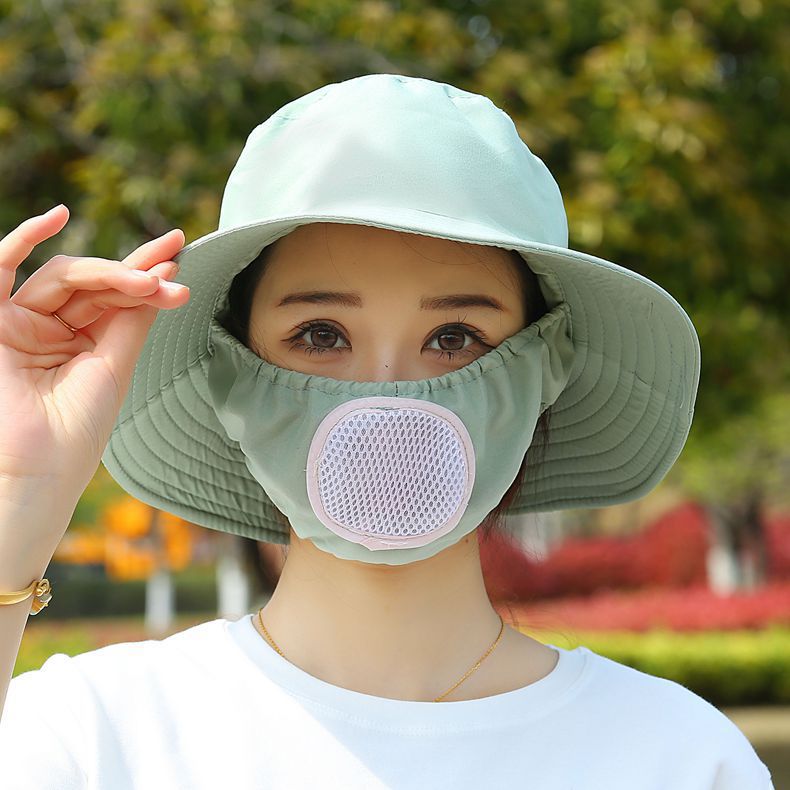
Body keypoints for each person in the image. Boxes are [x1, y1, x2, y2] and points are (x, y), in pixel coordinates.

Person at [0, 74, 774, 789]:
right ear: (228, 374)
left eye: (455, 338)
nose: (386, 398)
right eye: (320, 334)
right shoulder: (88, 735)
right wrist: (16, 497)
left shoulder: (679, 758)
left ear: (546, 369)